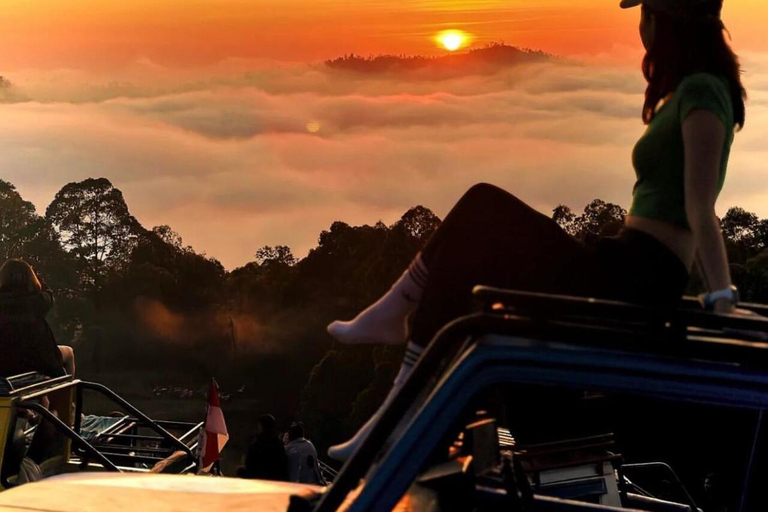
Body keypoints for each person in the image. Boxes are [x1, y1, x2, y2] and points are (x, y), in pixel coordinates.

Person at [325, 0, 748, 461]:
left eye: (644, 10)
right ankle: (401, 390)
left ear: (665, 18)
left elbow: (700, 205)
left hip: (637, 279)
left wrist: (721, 290)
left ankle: (397, 392)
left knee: (483, 205)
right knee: (479, 255)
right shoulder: (688, 88)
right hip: (625, 265)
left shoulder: (703, 92)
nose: (640, 24)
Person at [0, 259, 73, 377]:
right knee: (69, 352)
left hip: (6, 367)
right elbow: (48, 292)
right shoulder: (38, 302)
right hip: (39, 363)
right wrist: (36, 277)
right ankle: (69, 394)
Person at [238, 414, 288, 481]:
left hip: (259, 481)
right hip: (275, 481)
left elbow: (250, 464)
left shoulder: (257, 443)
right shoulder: (278, 443)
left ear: (261, 426)